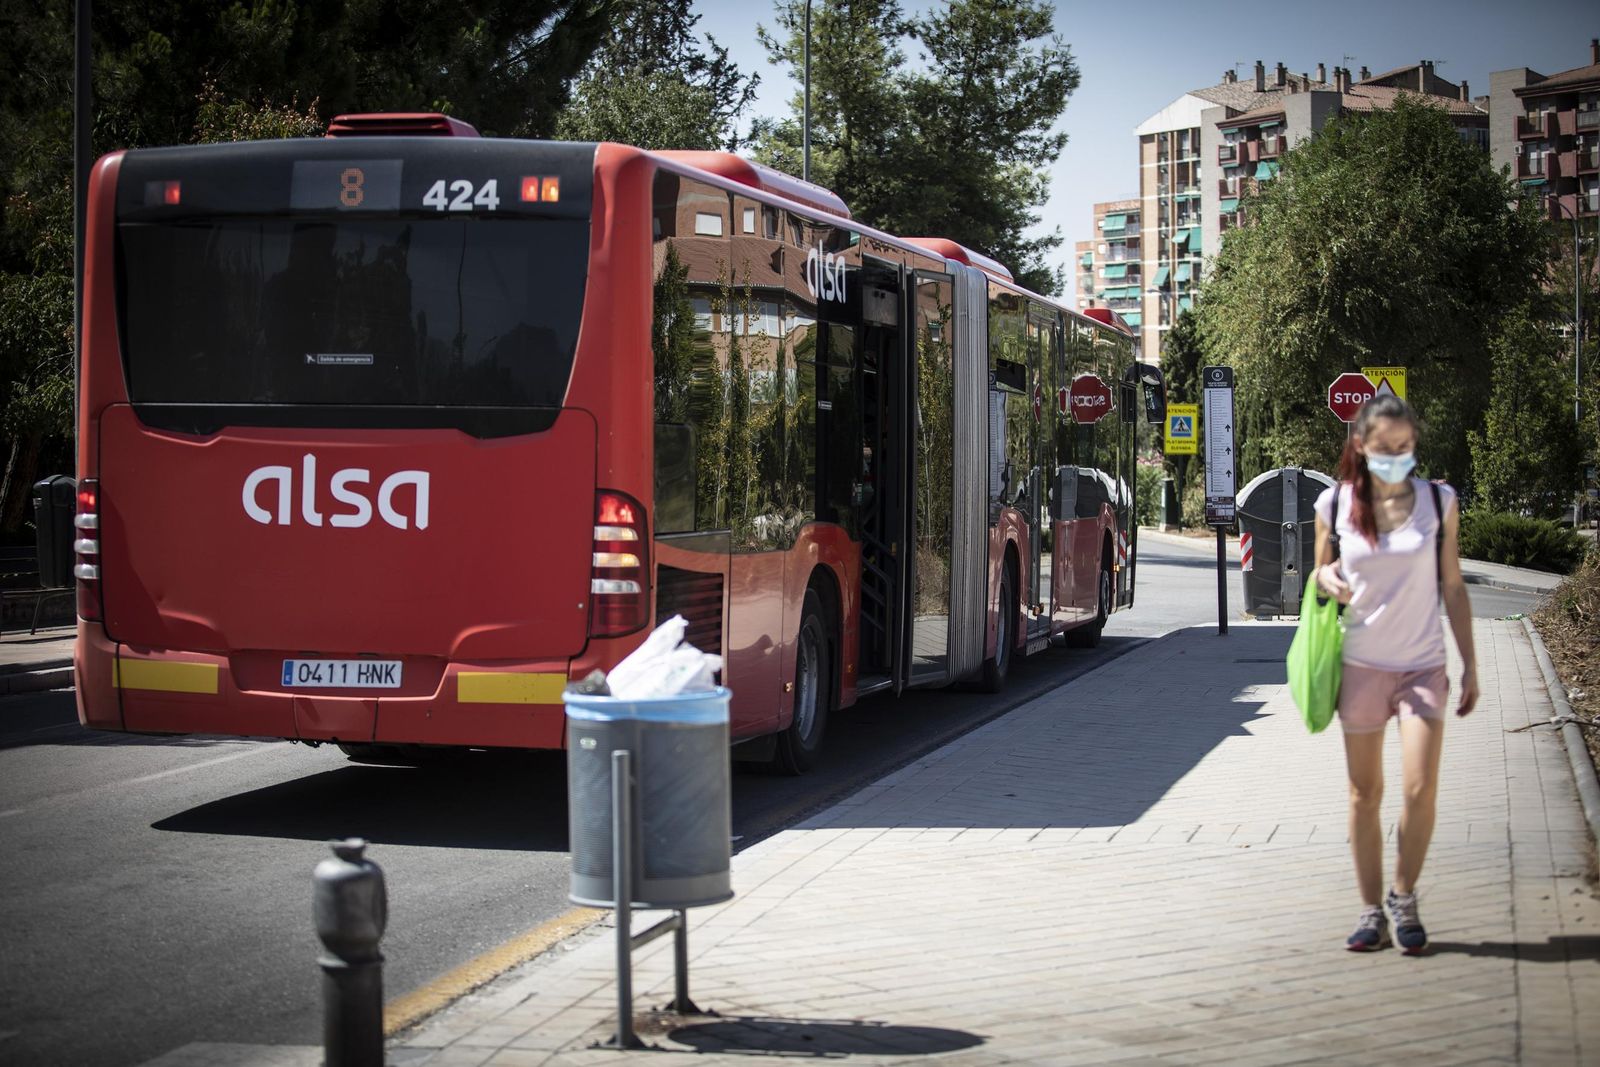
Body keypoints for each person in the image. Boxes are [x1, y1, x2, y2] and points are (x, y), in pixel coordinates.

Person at [1312, 394, 1479, 954]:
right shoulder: (1333, 504)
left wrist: (1471, 662)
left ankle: (1403, 895)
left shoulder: (1439, 501)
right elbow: (1317, 575)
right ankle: (1369, 913)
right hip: (1360, 667)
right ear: (1361, 446)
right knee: (1365, 794)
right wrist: (1326, 579)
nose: (1396, 458)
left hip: (1422, 666)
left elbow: (1452, 586)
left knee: (1419, 787)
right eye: (1385, 449)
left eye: (1406, 449)